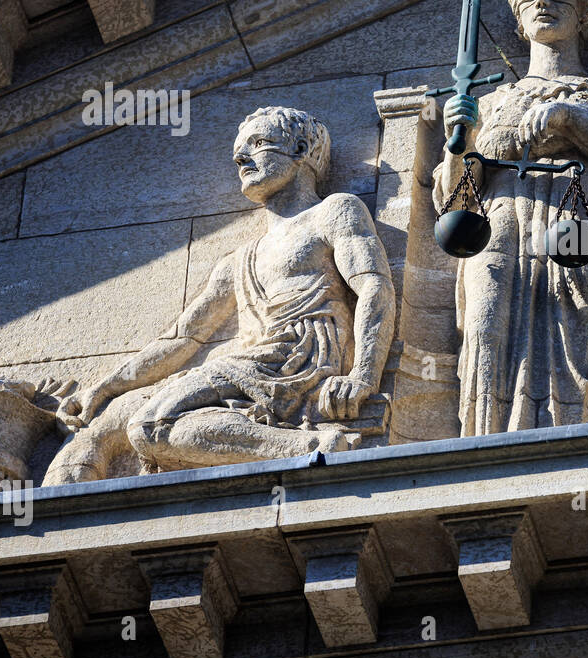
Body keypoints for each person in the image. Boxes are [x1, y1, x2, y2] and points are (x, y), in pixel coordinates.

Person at [43, 106, 395, 483]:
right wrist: (105, 386)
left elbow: (374, 285)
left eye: (258, 144)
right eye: (238, 151)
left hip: (302, 360)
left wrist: (363, 376)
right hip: (251, 365)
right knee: (150, 423)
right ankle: (306, 446)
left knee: (151, 423)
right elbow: (182, 338)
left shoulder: (334, 211)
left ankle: (308, 446)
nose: (242, 157)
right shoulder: (236, 261)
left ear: (301, 149)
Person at [436, 0, 588, 435]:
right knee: (485, 327)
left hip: (579, 217)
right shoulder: (491, 102)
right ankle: (483, 444)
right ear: (516, 20)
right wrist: (459, 137)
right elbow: (454, 198)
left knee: (576, 325)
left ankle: (576, 439)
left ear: (585, 14)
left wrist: (576, 121)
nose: (543, 2)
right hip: (498, 227)